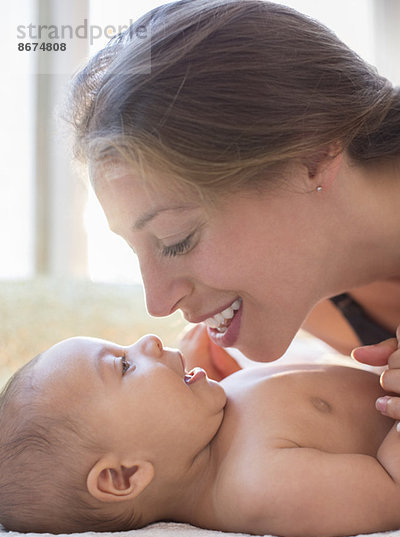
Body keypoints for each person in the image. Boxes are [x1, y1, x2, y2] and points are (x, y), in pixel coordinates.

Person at [67, 2, 400, 419]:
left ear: (311, 158)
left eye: (176, 239)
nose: (158, 303)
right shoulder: (301, 287)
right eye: (137, 251)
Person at [0, 333, 400, 537]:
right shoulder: (258, 484)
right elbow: (391, 489)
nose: (148, 341)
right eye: (123, 366)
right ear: (123, 477)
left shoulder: (213, 415)